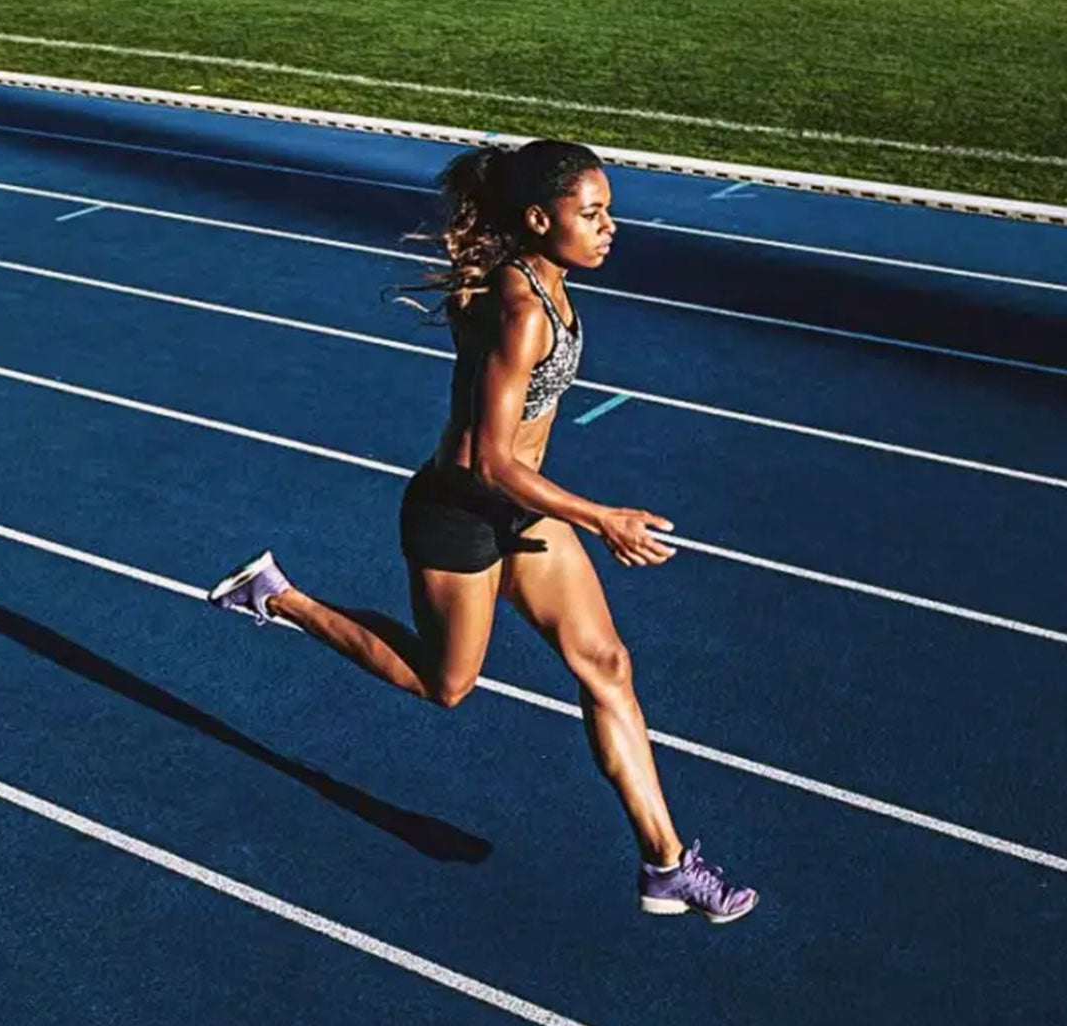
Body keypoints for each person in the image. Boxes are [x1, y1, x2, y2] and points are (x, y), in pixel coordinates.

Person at [209, 139, 757, 923]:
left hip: (522, 513)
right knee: (447, 685)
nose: (611, 228)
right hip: (462, 515)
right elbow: (490, 461)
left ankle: (667, 863)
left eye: (609, 211)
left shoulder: (542, 278)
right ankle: (279, 596)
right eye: (592, 213)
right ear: (540, 218)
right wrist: (601, 518)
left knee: (606, 664)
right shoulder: (523, 309)